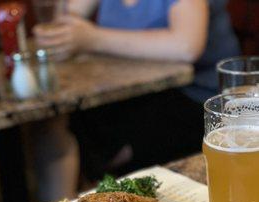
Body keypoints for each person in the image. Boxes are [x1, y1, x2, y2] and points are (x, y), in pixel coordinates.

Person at [33, 0, 240, 181]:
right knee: (59, 124)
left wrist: (92, 38)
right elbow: (63, 18)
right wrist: (62, 33)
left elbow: (187, 46)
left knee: (94, 137)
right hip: (133, 93)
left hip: (201, 99)